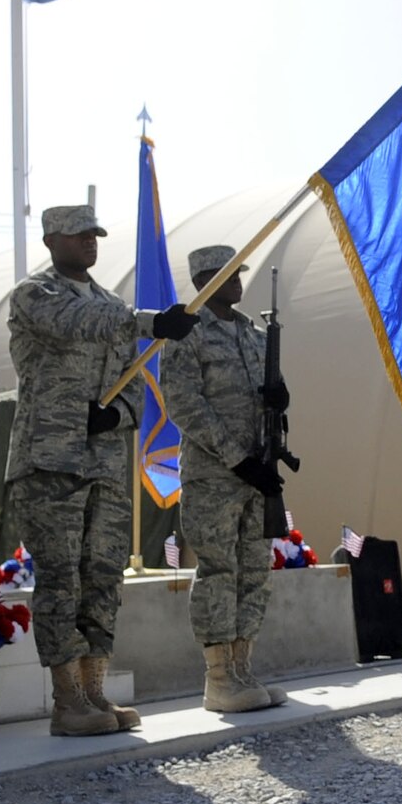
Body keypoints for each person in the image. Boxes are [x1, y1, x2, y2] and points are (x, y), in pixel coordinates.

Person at [7, 205, 197, 734]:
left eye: (95, 234)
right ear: (51, 240)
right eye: (80, 235)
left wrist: (119, 413)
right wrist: (148, 321)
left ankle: (94, 691)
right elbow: (73, 324)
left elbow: (134, 380)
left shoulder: (112, 305)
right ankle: (66, 700)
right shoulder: (35, 295)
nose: (91, 243)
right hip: (52, 460)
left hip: (106, 462)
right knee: (61, 579)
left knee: (102, 577)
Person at [160, 244, 291, 712]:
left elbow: (266, 398)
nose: (238, 281)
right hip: (215, 474)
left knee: (254, 571)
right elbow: (185, 405)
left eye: (240, 273)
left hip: (258, 474)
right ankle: (219, 680)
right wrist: (237, 458)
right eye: (227, 274)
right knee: (219, 571)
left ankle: (243, 668)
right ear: (203, 281)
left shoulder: (255, 335)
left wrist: (280, 399)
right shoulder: (187, 336)